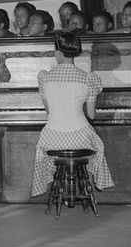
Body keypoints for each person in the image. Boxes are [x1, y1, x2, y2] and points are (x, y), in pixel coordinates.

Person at [30, 31, 114, 199]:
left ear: (58, 52)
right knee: (98, 146)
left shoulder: (44, 78)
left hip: (52, 137)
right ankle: (91, 188)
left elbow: (49, 111)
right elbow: (91, 115)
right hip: (80, 136)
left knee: (43, 144)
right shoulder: (88, 78)